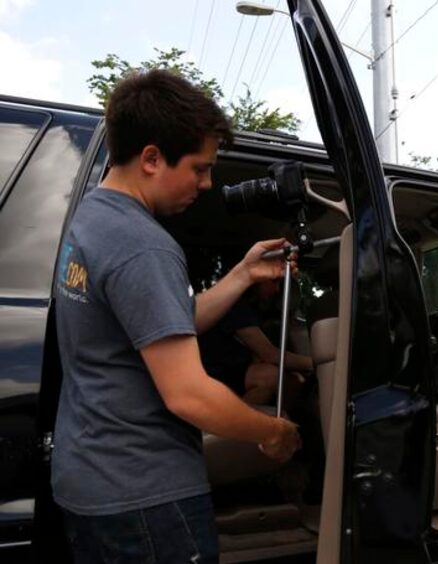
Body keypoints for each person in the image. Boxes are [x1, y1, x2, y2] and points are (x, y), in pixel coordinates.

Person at [52, 69, 301, 564]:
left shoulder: (91, 219)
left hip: (91, 481)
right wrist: (273, 431)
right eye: (199, 167)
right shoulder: (143, 246)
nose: (207, 184)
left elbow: (162, 321)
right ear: (151, 158)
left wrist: (242, 275)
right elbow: (189, 395)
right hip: (148, 499)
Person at [199, 278, 314, 406]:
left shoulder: (253, 310)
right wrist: (314, 362)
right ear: (257, 281)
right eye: (274, 282)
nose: (277, 289)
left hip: (226, 372)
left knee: (291, 380)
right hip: (211, 374)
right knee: (269, 376)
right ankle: (231, 422)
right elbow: (269, 354)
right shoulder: (237, 306)